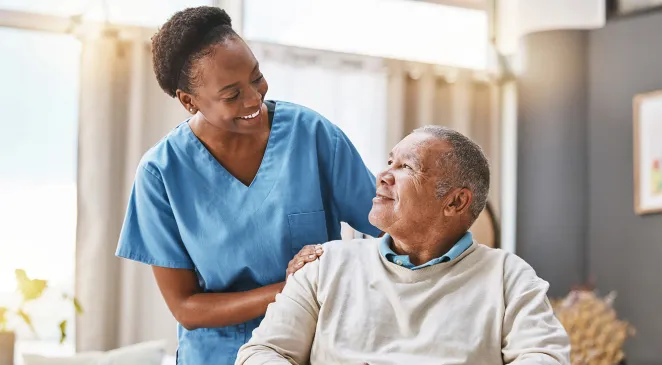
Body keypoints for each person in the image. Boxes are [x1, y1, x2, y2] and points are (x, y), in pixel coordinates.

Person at [115, 6, 381, 365]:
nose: (254, 99)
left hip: (315, 349)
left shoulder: (311, 135)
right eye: (231, 95)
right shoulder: (160, 173)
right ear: (188, 101)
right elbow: (186, 307)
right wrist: (293, 288)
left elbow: (389, 227)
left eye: (256, 77)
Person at [236, 126, 571, 365]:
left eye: (407, 167)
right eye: (390, 161)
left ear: (455, 202)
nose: (383, 175)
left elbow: (545, 357)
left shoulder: (507, 277)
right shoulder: (326, 265)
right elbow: (261, 353)